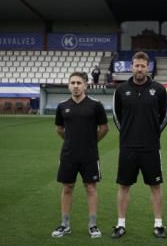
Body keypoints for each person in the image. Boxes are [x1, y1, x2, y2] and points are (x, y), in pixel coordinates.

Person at [111, 51, 167, 239]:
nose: (139, 69)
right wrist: (127, 133)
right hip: (128, 147)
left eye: (143, 66)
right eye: (136, 65)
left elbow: (165, 115)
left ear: (148, 67)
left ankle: (158, 224)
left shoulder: (159, 89)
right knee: (123, 185)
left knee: (155, 186)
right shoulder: (121, 90)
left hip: (151, 147)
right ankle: (120, 224)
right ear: (131, 66)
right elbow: (116, 116)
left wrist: (154, 133)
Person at [52, 72, 109, 238]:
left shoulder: (95, 105)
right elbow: (59, 128)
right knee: (67, 187)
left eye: (79, 83)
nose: (75, 86)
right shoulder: (62, 106)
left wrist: (91, 142)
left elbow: (104, 128)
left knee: (91, 188)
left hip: (89, 155)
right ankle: (64, 224)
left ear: (86, 85)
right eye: (72, 83)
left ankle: (92, 225)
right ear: (68, 85)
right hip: (68, 155)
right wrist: (71, 141)